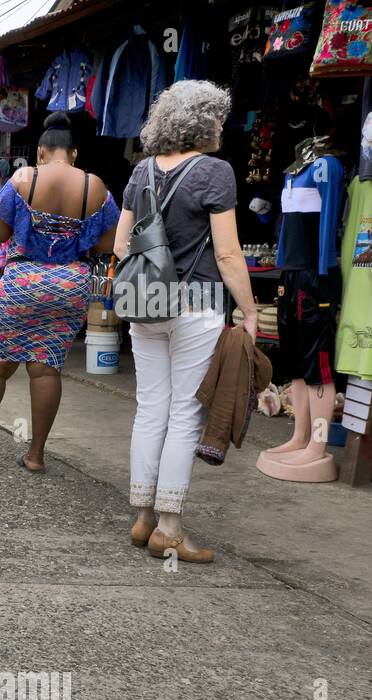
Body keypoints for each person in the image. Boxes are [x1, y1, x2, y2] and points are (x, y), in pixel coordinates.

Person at [113, 81, 258, 564]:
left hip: (143, 299)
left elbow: (119, 247)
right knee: (184, 413)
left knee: (150, 407)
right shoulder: (215, 172)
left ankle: (143, 518)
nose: (222, 127)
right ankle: (171, 529)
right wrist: (252, 311)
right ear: (203, 123)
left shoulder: (140, 173)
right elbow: (227, 251)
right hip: (196, 304)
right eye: (218, 118)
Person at [0, 112, 119, 471]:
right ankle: (36, 456)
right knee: (45, 370)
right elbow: (108, 242)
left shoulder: (24, 178)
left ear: (41, 151)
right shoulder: (97, 187)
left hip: (22, 280)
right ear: (73, 153)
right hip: (69, 284)